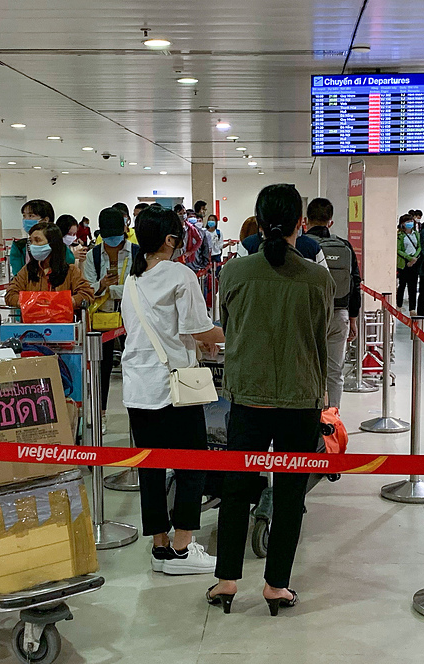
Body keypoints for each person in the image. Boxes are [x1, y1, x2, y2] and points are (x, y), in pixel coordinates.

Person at [209, 183, 334, 616]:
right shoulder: (318, 278)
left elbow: (229, 327)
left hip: (248, 396)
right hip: (300, 398)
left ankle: (226, 580)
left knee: (236, 488)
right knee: (290, 495)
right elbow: (319, 336)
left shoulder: (234, 273)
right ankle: (276, 585)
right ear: (301, 224)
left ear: (259, 224)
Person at [121, 205, 224, 575]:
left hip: (138, 386)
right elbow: (199, 328)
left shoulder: (132, 280)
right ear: (169, 240)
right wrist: (234, 335)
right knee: (191, 465)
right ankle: (182, 547)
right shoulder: (181, 274)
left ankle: (159, 546)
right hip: (174, 388)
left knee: (150, 470)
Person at [82, 208, 138, 429]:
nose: (112, 242)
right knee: (101, 370)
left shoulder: (137, 252)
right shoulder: (93, 255)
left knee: (135, 365)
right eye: (108, 237)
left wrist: (109, 289)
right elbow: (88, 289)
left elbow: (138, 287)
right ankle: (100, 415)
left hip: (132, 318)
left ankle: (138, 415)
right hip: (102, 319)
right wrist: (102, 285)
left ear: (125, 230)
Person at [305, 198, 361, 409]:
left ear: (306, 221)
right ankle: (333, 417)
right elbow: (355, 283)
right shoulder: (344, 245)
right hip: (339, 314)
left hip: (308, 315)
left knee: (306, 369)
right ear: (331, 222)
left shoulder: (302, 245)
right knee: (335, 372)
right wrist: (353, 319)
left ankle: (310, 416)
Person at [4, 223, 94, 309]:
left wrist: (64, 302)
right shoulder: (27, 271)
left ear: (52, 243)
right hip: (34, 319)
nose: (32, 246)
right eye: (31, 241)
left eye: (37, 240)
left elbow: (87, 294)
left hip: (62, 319)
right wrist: (30, 302)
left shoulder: (71, 271)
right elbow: (10, 294)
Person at [11, 199, 55, 277]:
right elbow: (18, 275)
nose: (26, 220)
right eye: (24, 216)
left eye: (31, 216)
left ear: (45, 220)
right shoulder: (19, 246)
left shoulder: (59, 245)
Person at [396, 214, 421, 312]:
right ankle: (399, 305)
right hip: (404, 262)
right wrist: (409, 258)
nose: (410, 223)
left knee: (413, 286)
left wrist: (415, 257)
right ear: (402, 223)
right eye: (407, 222)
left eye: (411, 221)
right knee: (402, 285)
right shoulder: (400, 235)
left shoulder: (416, 234)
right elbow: (398, 250)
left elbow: (419, 246)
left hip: (415, 261)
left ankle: (412, 308)